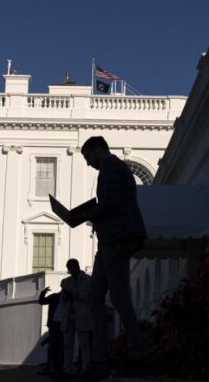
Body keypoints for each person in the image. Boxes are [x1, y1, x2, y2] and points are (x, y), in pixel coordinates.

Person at [75, 136, 146, 382]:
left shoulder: (112, 166)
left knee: (119, 297)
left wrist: (86, 214)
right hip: (108, 240)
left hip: (118, 238)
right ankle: (101, 361)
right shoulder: (110, 168)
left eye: (87, 157)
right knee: (94, 297)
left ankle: (138, 355)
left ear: (97, 149)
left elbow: (113, 202)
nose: (87, 163)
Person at [60, 259, 93, 376]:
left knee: (84, 345)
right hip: (69, 317)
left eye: (74, 268)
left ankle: (86, 368)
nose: (72, 271)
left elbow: (90, 297)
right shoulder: (66, 282)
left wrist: (76, 293)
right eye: (70, 270)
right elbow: (63, 301)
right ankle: (67, 368)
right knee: (68, 345)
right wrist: (65, 297)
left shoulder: (88, 280)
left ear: (78, 267)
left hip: (82, 316)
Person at [38, 287, 64, 377]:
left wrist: (43, 293)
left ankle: (52, 368)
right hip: (57, 326)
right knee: (57, 347)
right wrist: (43, 293)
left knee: (55, 347)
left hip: (56, 325)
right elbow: (42, 301)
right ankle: (54, 368)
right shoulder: (58, 297)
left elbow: (41, 301)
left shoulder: (55, 296)